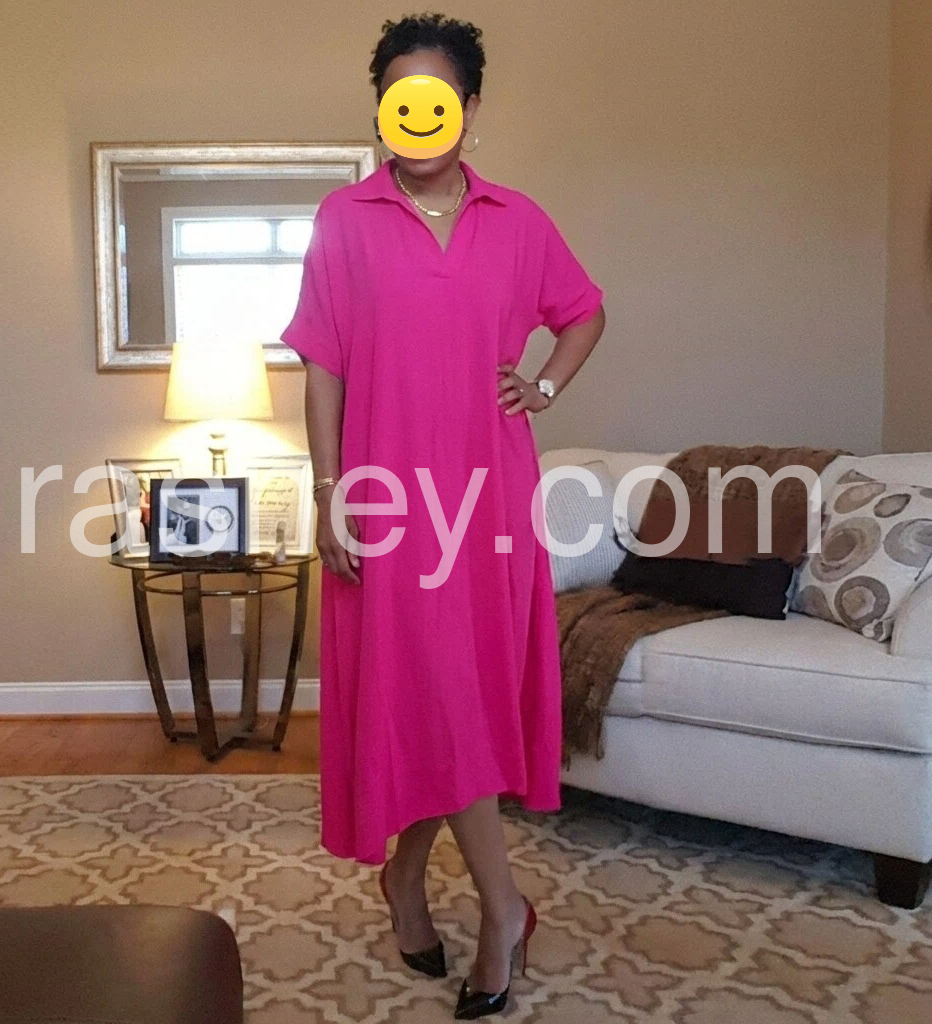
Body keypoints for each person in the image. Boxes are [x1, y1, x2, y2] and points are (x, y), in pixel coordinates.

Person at [281, 13, 606, 1019]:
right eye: (398, 99)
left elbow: (584, 311)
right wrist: (330, 491)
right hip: (384, 501)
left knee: (459, 699)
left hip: (488, 496)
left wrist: (542, 388)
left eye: (436, 99)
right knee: (423, 697)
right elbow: (322, 365)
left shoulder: (519, 219)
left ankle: (418, 882)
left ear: (467, 109)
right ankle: (503, 908)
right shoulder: (344, 218)